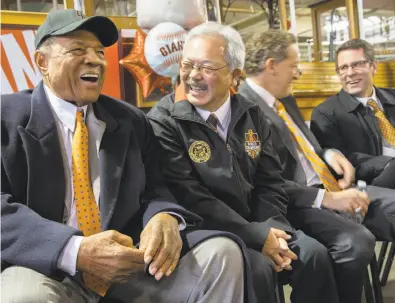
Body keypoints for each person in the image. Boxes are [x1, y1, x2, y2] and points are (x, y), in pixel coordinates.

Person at [1, 10, 248, 303]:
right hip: (41, 266)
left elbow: (155, 187)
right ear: (42, 62)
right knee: (22, 297)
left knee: (221, 254)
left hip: (125, 267)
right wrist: (75, 250)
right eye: (78, 50)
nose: (94, 59)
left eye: (99, 52)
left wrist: (164, 215)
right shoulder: (6, 118)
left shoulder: (130, 119)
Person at [148, 22, 339, 303]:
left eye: (207, 68)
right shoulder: (163, 121)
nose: (192, 76)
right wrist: (255, 235)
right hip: (208, 232)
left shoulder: (252, 114)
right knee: (258, 268)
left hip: (260, 223)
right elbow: (188, 195)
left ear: (234, 76)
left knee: (313, 255)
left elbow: (269, 181)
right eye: (187, 65)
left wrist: (274, 229)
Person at [239, 30, 395, 303]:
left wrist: (332, 154)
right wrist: (329, 198)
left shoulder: (283, 98)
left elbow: (311, 148)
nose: (298, 72)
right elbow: (262, 181)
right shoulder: (243, 109)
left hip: (331, 184)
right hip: (294, 201)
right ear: (272, 65)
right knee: (355, 242)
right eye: (294, 65)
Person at [310, 38, 395, 189]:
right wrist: (389, 163)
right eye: (343, 68)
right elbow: (340, 161)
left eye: (357, 65)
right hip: (373, 184)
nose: (349, 73)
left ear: (374, 66)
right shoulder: (325, 113)